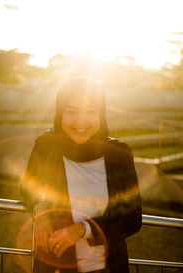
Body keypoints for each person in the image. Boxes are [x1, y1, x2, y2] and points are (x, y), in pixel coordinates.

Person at [21, 76, 142, 273]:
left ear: (101, 114)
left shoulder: (119, 154)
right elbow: (28, 188)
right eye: (71, 111)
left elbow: (132, 218)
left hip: (108, 266)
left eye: (90, 111)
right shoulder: (47, 147)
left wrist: (81, 229)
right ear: (60, 113)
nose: (80, 121)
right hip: (56, 264)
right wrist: (40, 209)